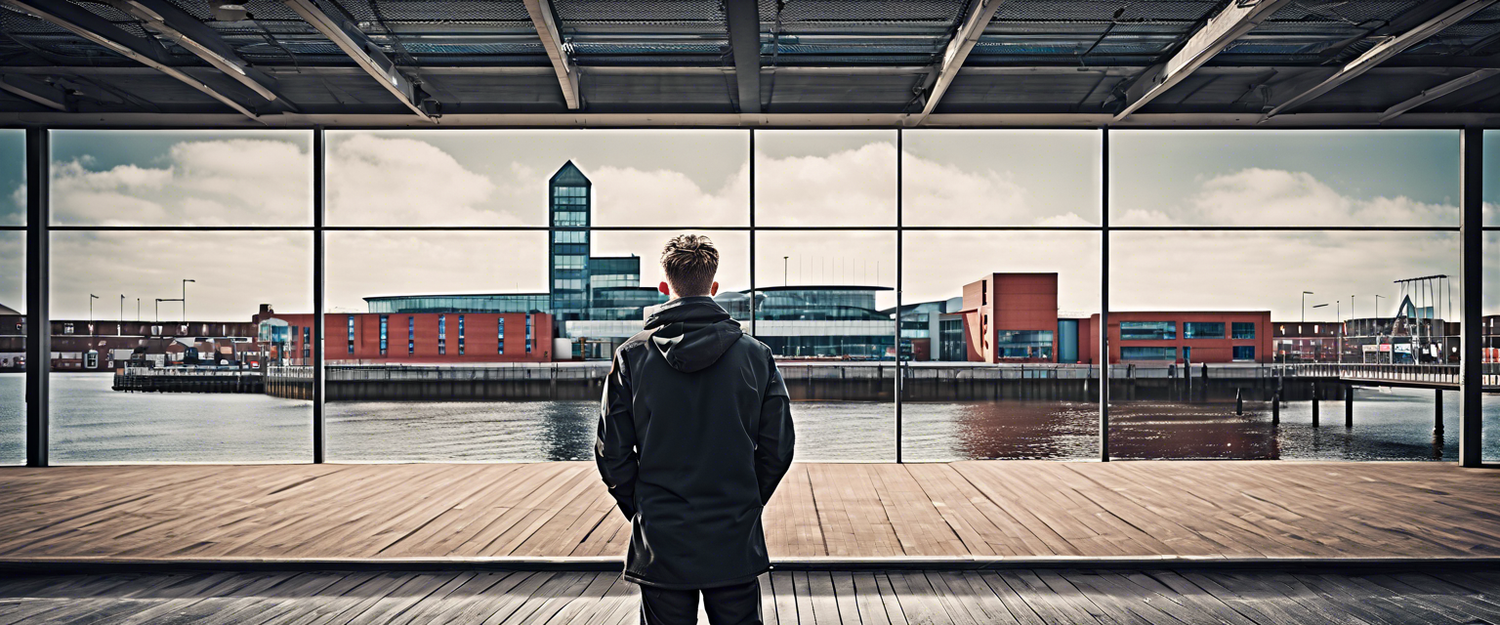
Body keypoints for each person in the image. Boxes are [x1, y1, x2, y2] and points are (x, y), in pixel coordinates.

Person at [596, 234, 796, 625]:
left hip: (662, 536)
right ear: (714, 287)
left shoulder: (632, 357)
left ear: (664, 287)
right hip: (732, 535)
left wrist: (644, 508)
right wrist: (747, 501)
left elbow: (612, 454)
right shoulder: (756, 355)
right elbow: (778, 447)